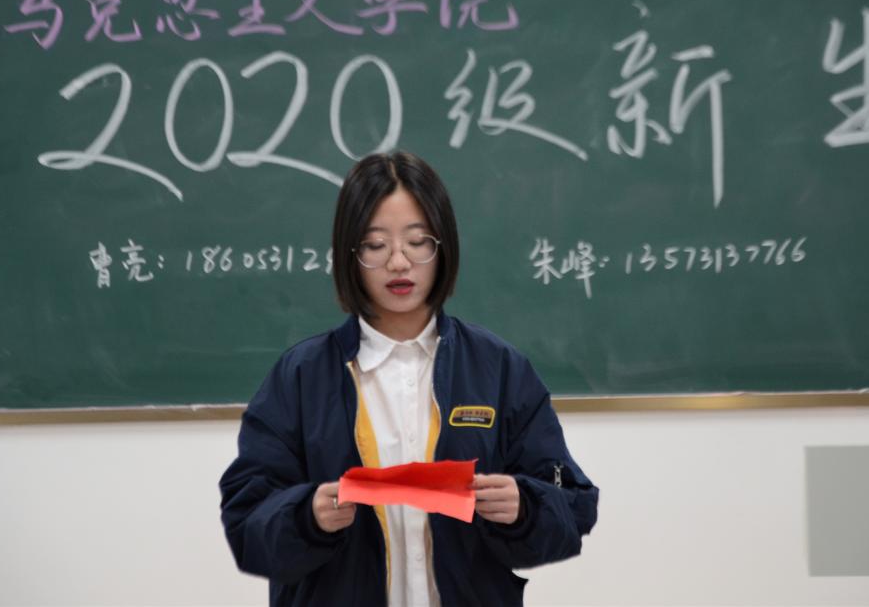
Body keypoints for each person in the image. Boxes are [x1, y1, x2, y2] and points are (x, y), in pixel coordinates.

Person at [219, 151, 598, 606]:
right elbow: (246, 523)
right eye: (375, 245)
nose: (398, 262)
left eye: (418, 242)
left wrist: (525, 507)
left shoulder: (498, 368)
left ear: (443, 247)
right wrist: (306, 518)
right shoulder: (301, 377)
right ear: (350, 254)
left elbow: (573, 506)